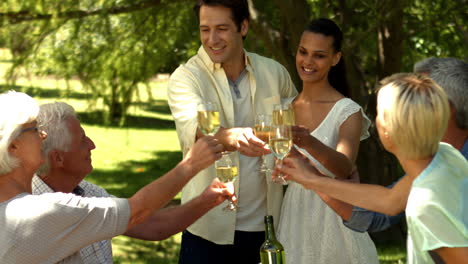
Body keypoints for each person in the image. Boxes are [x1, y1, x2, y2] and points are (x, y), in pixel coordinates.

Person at [0, 91, 227, 263]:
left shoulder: (87, 193)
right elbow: (136, 211)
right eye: (33, 130)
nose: (43, 135)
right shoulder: (44, 212)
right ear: (13, 146)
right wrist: (192, 163)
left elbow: (150, 223)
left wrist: (207, 199)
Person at [277, 73, 468, 263]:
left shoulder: (426, 207)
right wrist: (312, 178)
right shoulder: (443, 156)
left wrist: (313, 179)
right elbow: (390, 201)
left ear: (389, 130)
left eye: (378, 113)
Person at [167, 0, 297, 262]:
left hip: (267, 229)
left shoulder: (274, 72)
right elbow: (200, 130)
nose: (212, 39)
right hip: (206, 229)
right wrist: (236, 137)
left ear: (244, 27)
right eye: (205, 29)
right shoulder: (186, 78)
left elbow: (294, 123)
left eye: (222, 29)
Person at [276, 18, 378, 263]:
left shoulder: (347, 111)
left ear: (335, 58)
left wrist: (308, 141)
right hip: (294, 214)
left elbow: (344, 167)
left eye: (319, 56)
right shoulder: (282, 109)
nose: (307, 62)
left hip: (335, 214)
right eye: (303, 52)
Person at [336, 57, 468, 233]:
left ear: (444, 106)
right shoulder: (437, 160)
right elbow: (378, 213)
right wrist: (310, 178)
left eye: (417, 97)